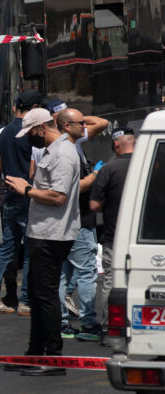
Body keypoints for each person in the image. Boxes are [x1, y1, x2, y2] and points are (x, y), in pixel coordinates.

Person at [5, 108, 80, 376]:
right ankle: (35, 353)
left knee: (46, 296)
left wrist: (26, 190)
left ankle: (52, 358)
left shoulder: (62, 153)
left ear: (40, 128)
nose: (28, 140)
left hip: (52, 234)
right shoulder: (53, 151)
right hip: (43, 232)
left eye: (30, 134)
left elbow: (58, 196)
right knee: (38, 295)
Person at [0, 89, 44, 316]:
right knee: (29, 251)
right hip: (28, 195)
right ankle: (26, 301)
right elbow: (36, 166)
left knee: (7, 248)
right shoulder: (35, 132)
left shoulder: (3, 133)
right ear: (35, 108)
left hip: (9, 196)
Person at [56, 109, 106, 341]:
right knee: (86, 272)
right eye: (79, 124)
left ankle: (62, 322)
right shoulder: (68, 151)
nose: (84, 127)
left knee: (63, 273)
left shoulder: (58, 147)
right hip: (78, 220)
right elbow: (75, 188)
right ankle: (87, 324)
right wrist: (95, 174)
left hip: (63, 221)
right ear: (67, 126)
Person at [90, 127, 135, 347]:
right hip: (144, 239)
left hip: (114, 236)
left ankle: (110, 328)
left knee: (110, 280)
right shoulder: (149, 166)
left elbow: (94, 204)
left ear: (116, 145)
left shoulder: (108, 169)